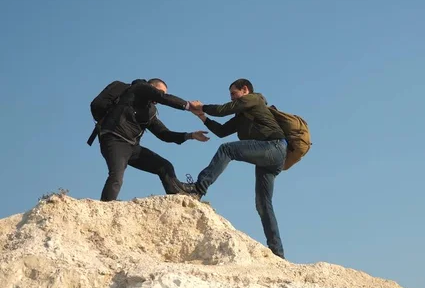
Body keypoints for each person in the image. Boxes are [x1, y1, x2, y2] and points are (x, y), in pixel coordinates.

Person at [183, 78, 288, 259]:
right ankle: (277, 253)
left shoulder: (253, 99)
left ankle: (198, 188)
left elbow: (224, 110)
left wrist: (202, 106)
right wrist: (202, 116)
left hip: (274, 147)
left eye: (234, 93)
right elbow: (222, 131)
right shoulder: (242, 115)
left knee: (227, 149)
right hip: (270, 156)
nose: (232, 98)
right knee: (263, 203)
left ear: (244, 90)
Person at [97, 78, 210, 202]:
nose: (161, 96)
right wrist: (189, 106)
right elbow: (162, 98)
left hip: (132, 147)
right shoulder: (139, 88)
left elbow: (164, 134)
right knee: (116, 177)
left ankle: (178, 199)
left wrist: (191, 135)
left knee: (164, 166)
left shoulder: (149, 111)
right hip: (115, 139)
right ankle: (105, 208)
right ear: (151, 87)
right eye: (160, 91)